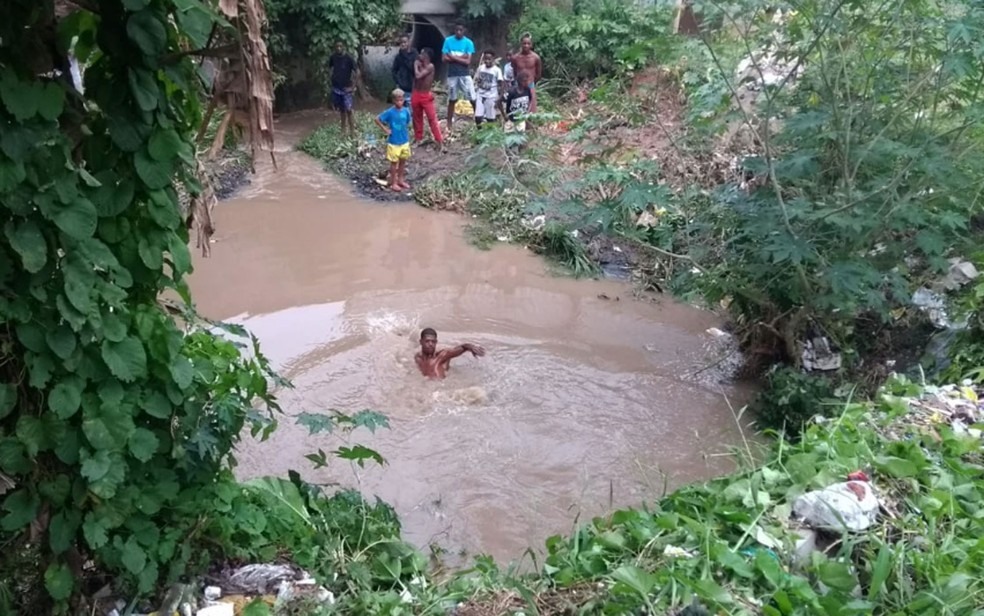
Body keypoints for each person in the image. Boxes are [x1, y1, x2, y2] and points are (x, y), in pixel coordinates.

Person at [441, 23, 476, 133]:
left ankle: (478, 119)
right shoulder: (448, 41)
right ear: (454, 30)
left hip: (464, 74)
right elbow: (444, 59)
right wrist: (461, 57)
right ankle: (449, 123)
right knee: (452, 99)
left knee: (472, 98)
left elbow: (468, 61)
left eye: (461, 30)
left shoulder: (468, 43)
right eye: (457, 30)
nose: (459, 32)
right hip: (452, 74)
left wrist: (452, 57)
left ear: (464, 30)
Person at [375, 89, 412, 192]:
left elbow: (408, 122)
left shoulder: (406, 111)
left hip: (404, 140)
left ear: (404, 100)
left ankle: (400, 180)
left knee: (403, 161)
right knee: (394, 163)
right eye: (397, 100)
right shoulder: (390, 112)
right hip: (394, 142)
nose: (399, 102)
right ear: (393, 101)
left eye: (401, 100)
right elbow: (377, 119)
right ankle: (394, 182)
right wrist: (386, 129)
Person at [415, 328, 485, 379]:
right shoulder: (417, 358)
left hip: (440, 392)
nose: (430, 344)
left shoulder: (441, 356)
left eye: (433, 341)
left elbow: (461, 348)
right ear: (421, 342)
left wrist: (470, 347)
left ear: (436, 342)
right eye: (427, 341)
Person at [411, 48, 444, 149]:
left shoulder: (430, 66)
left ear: (427, 56)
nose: (419, 55)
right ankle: (418, 138)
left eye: (422, 53)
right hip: (416, 93)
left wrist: (416, 66)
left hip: (425, 95)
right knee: (417, 118)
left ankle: (439, 141)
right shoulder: (420, 64)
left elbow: (418, 76)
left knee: (432, 118)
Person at [328, 41, 357, 134]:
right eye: (337, 46)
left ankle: (353, 131)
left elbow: (357, 72)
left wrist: (353, 87)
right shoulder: (333, 57)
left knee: (349, 110)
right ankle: (343, 130)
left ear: (344, 47)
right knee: (342, 109)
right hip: (337, 88)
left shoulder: (349, 58)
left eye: (340, 46)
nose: (338, 48)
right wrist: (331, 79)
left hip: (346, 88)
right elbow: (330, 69)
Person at [510, 34, 542, 113]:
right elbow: (514, 71)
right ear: (521, 44)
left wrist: (532, 82)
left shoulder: (536, 58)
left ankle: (530, 125)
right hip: (518, 86)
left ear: (531, 45)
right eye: (524, 43)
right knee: (518, 108)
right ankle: (519, 125)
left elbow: (538, 73)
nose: (526, 45)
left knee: (531, 109)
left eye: (528, 44)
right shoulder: (515, 58)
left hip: (530, 85)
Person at [473, 50, 504, 126]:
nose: (487, 61)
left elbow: (501, 84)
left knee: (490, 118)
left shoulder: (497, 70)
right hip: (480, 95)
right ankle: (479, 132)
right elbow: (477, 79)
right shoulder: (481, 68)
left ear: (493, 59)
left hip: (491, 96)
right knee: (478, 117)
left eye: (489, 59)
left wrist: (500, 96)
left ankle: (491, 134)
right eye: (485, 59)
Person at [391, 34, 417, 105]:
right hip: (402, 86)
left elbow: (413, 69)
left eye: (405, 42)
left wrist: (404, 55)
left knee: (410, 108)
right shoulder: (398, 57)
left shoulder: (414, 55)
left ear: (409, 42)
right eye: (401, 43)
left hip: (412, 86)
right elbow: (394, 70)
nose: (403, 44)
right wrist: (397, 81)